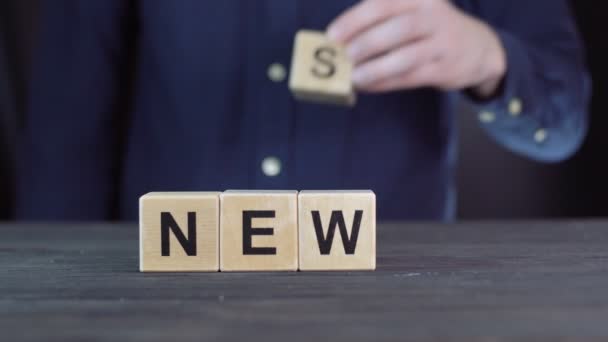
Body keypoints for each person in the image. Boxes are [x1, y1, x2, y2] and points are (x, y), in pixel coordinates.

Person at [16, 0, 589, 221]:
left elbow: (564, 121)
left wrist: (489, 58)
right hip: (166, 293)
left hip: (390, 302)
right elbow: (66, 137)